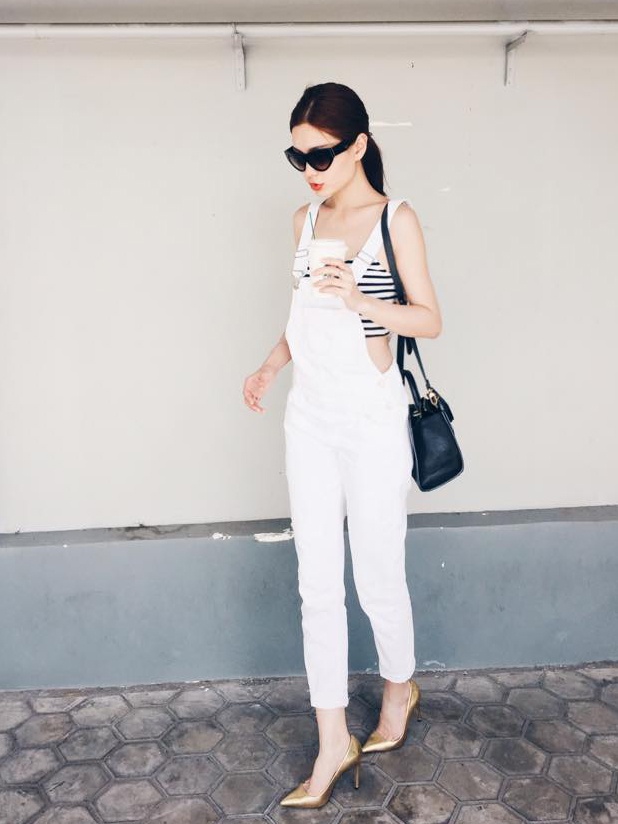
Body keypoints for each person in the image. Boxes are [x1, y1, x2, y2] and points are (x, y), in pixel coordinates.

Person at [243, 82, 442, 809]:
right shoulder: (304, 221)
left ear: (358, 145)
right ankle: (332, 738)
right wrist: (270, 367)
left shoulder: (396, 218)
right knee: (317, 584)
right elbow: (301, 318)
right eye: (297, 156)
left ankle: (398, 688)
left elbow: (429, 320)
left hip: (371, 419)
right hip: (310, 419)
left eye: (321, 154)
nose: (309, 169)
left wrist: (361, 298)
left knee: (378, 574)